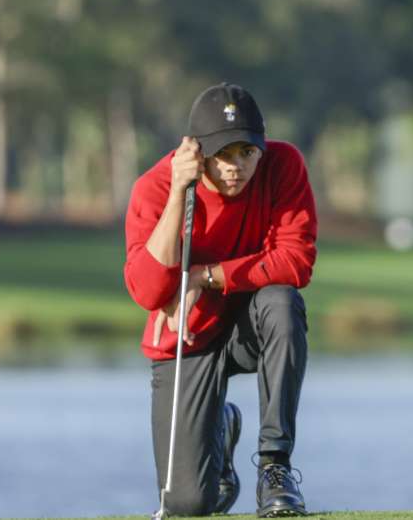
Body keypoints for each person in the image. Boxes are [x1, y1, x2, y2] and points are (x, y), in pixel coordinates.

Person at [124, 83, 318, 517]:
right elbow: (149, 292)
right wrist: (179, 191)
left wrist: (205, 276)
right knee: (188, 504)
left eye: (247, 152)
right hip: (188, 335)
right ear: (196, 151)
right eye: (223, 154)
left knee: (282, 303)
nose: (236, 166)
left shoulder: (283, 165)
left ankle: (274, 466)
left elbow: (297, 261)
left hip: (252, 324)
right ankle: (222, 430)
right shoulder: (156, 187)